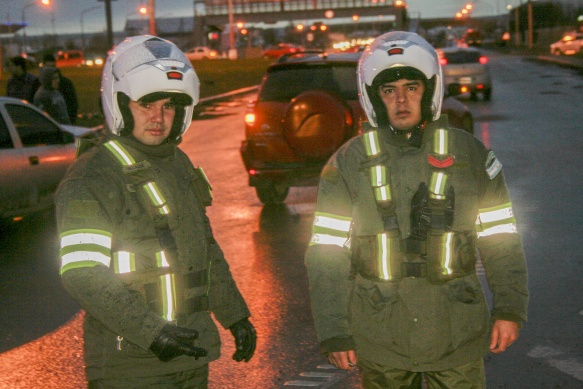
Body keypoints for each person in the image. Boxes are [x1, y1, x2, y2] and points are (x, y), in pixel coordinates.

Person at [304, 31, 528, 388]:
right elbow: (326, 253)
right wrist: (334, 331)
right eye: (389, 90)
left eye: (412, 87)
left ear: (431, 91)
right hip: (381, 337)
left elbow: (501, 237)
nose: (401, 100)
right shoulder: (346, 163)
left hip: (456, 333)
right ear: (374, 98)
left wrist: (509, 309)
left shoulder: (472, 156)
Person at [55, 35, 256, 388]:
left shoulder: (177, 163)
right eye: (145, 104)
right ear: (119, 103)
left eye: (169, 106)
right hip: (131, 364)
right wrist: (151, 333)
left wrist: (235, 315)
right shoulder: (93, 175)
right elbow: (82, 271)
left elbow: (205, 249)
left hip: (190, 354)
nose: (158, 117)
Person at [42, 53, 79, 124]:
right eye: (48, 66)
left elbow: (72, 104)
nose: (51, 69)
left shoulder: (65, 83)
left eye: (52, 66)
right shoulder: (38, 83)